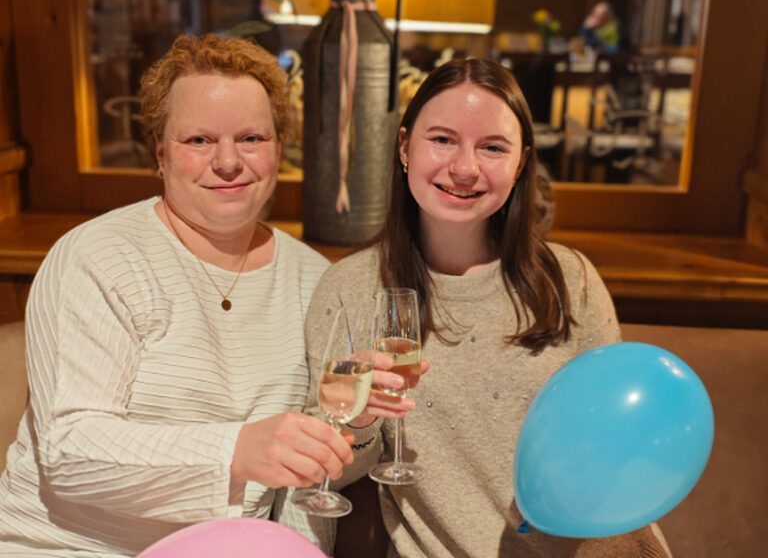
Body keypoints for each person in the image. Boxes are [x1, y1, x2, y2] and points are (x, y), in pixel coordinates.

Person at [288, 58, 672, 556]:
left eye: (492, 147)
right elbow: (325, 474)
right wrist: (359, 422)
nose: (465, 168)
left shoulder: (569, 279)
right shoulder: (354, 288)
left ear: (522, 163)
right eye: (442, 139)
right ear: (404, 146)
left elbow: (620, 446)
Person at [0, 34, 355, 556]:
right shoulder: (99, 256)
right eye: (199, 140)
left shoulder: (315, 279)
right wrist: (235, 451)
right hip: (63, 547)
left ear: (279, 147)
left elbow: (307, 478)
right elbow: (69, 453)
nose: (228, 161)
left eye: (251, 137)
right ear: (161, 153)